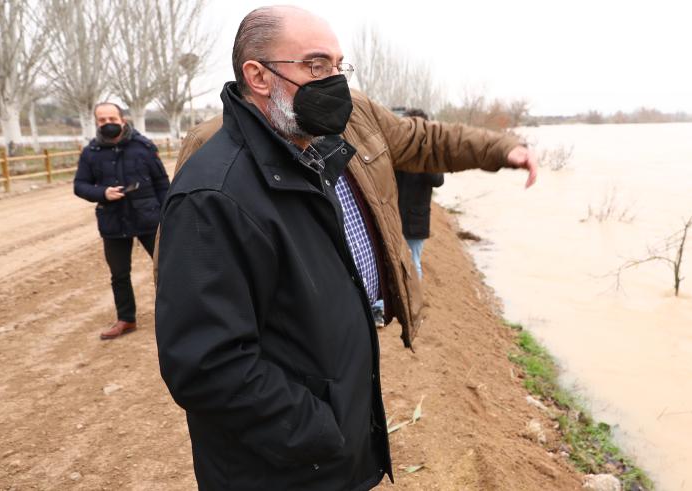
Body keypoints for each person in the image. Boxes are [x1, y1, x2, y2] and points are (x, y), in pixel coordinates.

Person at [154, 6, 537, 490]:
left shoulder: (333, 131)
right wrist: (322, 433)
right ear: (257, 75)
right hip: (283, 461)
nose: (333, 81)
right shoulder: (215, 182)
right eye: (315, 66)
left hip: (332, 398)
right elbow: (206, 358)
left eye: (338, 65)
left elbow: (423, 140)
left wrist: (501, 150)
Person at [73, 102, 169, 340]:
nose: (108, 124)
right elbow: (80, 185)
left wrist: (170, 215)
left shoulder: (144, 147)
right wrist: (102, 193)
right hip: (113, 221)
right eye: (102, 120)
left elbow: (162, 184)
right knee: (119, 274)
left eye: (111, 119)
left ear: (122, 119)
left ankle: (178, 315)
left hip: (148, 218)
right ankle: (126, 319)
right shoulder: (90, 152)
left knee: (167, 269)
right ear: (97, 123)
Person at [394, 108, 443, 278]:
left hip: (416, 222)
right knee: (393, 262)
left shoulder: (430, 154)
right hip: (394, 218)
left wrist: (422, 155)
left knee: (414, 263)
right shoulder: (398, 150)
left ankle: (414, 302)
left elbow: (438, 180)